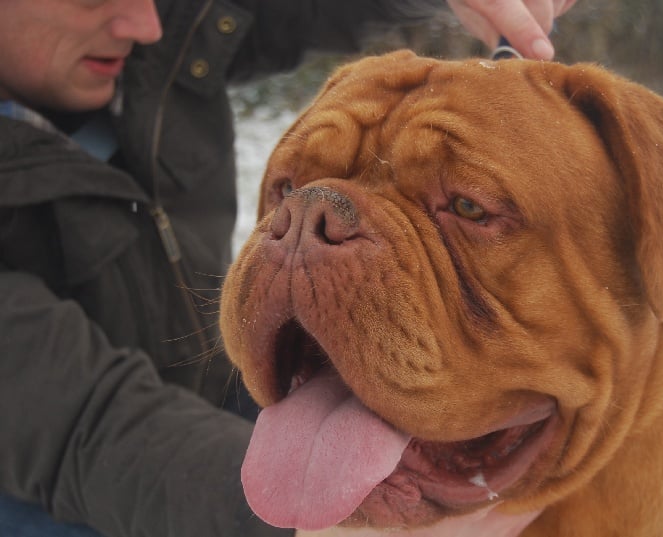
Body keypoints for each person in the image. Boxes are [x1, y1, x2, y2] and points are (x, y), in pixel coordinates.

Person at [0, 1, 576, 536]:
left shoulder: (146, 38)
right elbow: (79, 423)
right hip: (54, 461)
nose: (146, 25)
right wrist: (305, 519)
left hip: (212, 379)